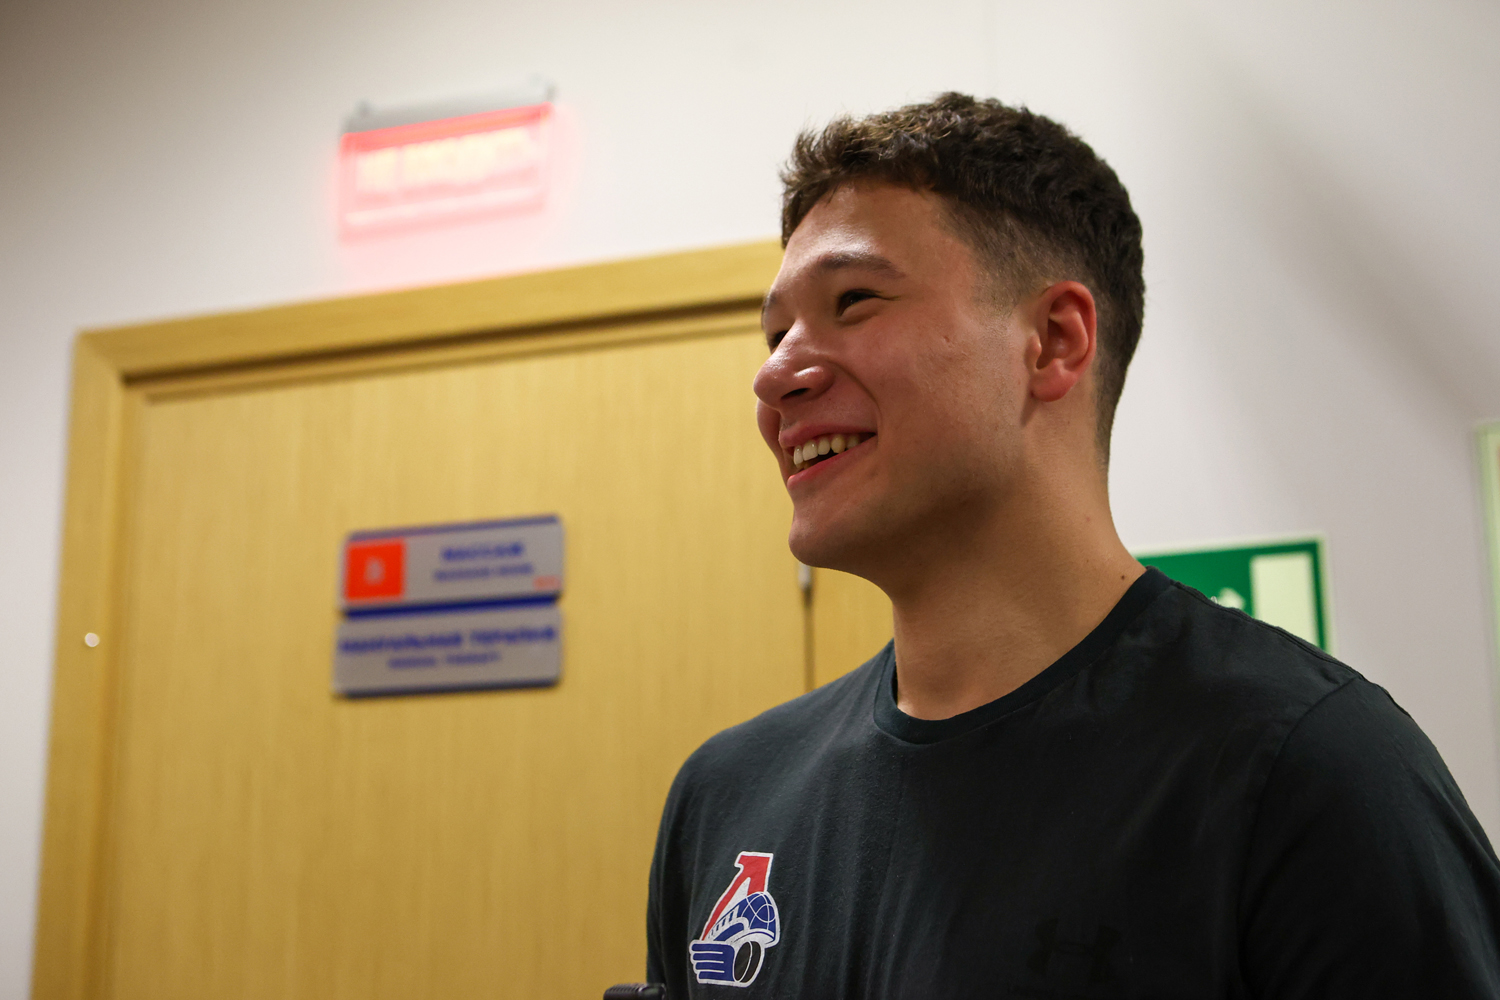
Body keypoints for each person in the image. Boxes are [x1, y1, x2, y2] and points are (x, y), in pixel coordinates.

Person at [645, 93, 1500, 997]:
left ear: (1054, 342)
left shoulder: (1305, 771)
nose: (775, 374)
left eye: (853, 301)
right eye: (777, 332)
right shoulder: (727, 799)